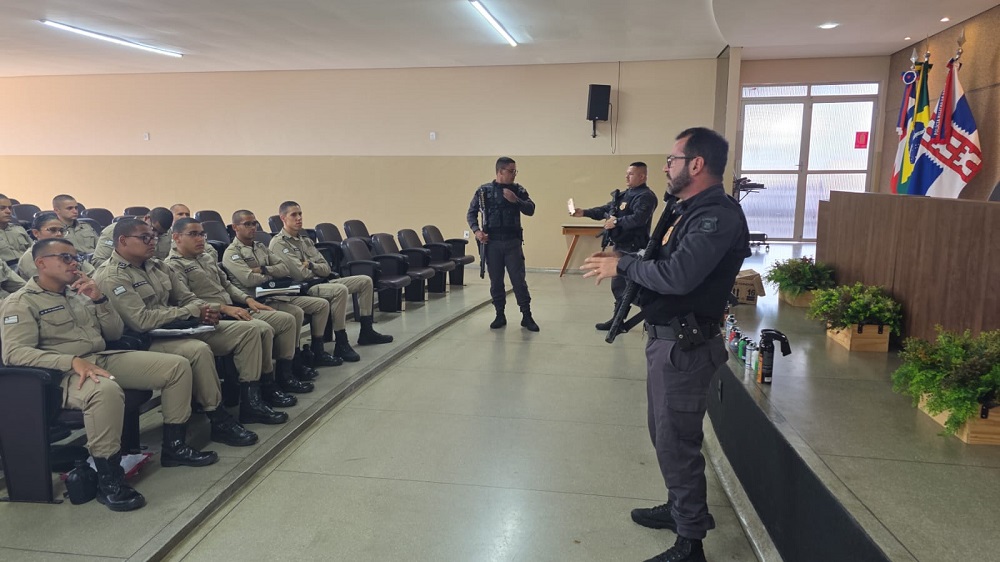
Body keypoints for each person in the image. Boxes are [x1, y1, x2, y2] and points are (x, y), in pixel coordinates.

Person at [581, 127, 750, 562]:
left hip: (686, 347)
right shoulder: (686, 208)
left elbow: (678, 275)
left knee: (677, 440)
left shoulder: (716, 214)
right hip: (668, 341)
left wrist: (625, 265)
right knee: (664, 434)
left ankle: (690, 543)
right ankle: (680, 509)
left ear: (696, 164)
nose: (665, 167)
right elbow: (663, 262)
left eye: (672, 160)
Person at [1, 239, 219, 511]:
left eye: (75, 256)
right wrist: (71, 360)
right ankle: (110, 479)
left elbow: (114, 333)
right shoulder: (20, 303)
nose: (74, 263)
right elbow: (14, 354)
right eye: (65, 258)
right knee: (105, 391)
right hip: (61, 375)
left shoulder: (78, 292)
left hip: (102, 357)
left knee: (175, 366)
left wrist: (99, 298)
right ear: (41, 263)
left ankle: (174, 446)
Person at [94, 218, 265, 445]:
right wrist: (189, 311)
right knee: (197, 350)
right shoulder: (112, 275)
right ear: (123, 241)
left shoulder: (157, 266)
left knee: (248, 331)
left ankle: (251, 402)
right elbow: (141, 321)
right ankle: (216, 417)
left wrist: (204, 310)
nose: (152, 242)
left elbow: (187, 297)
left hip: (178, 327)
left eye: (153, 237)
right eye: (144, 238)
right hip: (144, 340)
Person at [166, 217, 306, 410]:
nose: (200, 239)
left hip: (233, 309)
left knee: (286, 320)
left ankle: (279, 378)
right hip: (210, 317)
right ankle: (253, 397)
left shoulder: (206, 257)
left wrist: (248, 300)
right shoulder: (173, 265)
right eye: (193, 234)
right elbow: (186, 300)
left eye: (202, 234)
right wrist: (223, 308)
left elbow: (227, 285)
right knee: (261, 329)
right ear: (176, 237)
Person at [269, 201, 393, 359]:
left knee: (365, 281)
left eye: (300, 214)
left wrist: (311, 265)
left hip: (321, 281)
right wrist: (315, 269)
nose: (299, 218)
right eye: (294, 215)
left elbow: (326, 268)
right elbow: (300, 275)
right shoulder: (279, 243)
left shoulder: (305, 240)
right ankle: (341, 342)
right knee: (340, 290)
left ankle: (366, 332)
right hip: (304, 288)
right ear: (283, 218)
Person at [223, 209, 333, 375]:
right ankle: (284, 372)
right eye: (247, 224)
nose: (253, 227)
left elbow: (284, 268)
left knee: (298, 311)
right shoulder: (232, 253)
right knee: (290, 317)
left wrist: (262, 270)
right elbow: (248, 280)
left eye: (254, 223)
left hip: (275, 295)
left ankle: (294, 361)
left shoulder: (260, 247)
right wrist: (271, 275)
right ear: (235, 227)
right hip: (254, 302)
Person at [572, 162, 657, 331]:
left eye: (631, 174)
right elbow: (606, 210)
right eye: (627, 173)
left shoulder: (646, 196)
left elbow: (639, 218)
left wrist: (617, 221)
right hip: (619, 247)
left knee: (637, 288)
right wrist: (584, 212)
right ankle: (617, 321)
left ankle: (652, 318)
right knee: (618, 287)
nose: (627, 177)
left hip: (635, 249)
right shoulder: (624, 195)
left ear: (642, 176)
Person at [467, 157, 539, 331]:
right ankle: (500, 314)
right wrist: (477, 231)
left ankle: (526, 316)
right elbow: (471, 213)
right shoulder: (483, 191)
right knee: (496, 281)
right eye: (511, 171)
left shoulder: (518, 190)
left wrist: (516, 200)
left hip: (512, 242)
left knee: (518, 280)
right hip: (492, 244)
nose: (514, 174)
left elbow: (531, 209)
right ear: (500, 172)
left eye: (515, 171)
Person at [17, 212, 97, 280]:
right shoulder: (30, 257)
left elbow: (92, 272)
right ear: (36, 233)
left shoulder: (68, 251)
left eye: (61, 231)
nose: (59, 234)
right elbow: (50, 284)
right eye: (52, 230)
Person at [92, 207, 173, 266]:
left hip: (156, 274)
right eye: (154, 229)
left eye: (160, 234)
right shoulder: (115, 230)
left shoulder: (167, 233)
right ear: (146, 218)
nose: (155, 236)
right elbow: (98, 261)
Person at [0, 193, 32, 265]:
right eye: (2, 208)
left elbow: (33, 251)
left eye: (10, 208)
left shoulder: (19, 229)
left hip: (27, 267)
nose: (8, 211)